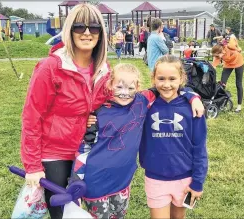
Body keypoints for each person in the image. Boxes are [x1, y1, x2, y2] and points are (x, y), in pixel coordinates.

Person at [70, 63, 204, 219]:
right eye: (119, 87)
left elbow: (171, 86)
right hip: (96, 184)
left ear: (138, 87)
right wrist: (75, 180)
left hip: (122, 183)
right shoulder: (98, 113)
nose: (124, 93)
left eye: (130, 88)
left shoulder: (142, 101)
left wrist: (193, 96)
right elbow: (84, 149)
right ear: (110, 84)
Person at [20, 4, 111, 219]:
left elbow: (117, 106)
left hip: (88, 151)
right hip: (55, 155)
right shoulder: (50, 67)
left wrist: (188, 96)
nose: (87, 32)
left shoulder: (105, 71)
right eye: (79, 26)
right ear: (69, 30)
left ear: (101, 33)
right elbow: (32, 117)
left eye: (94, 27)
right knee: (62, 214)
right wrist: (33, 165)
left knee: (85, 212)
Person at [139, 55, 208, 219]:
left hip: (185, 178)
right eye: (161, 78)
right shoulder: (144, 105)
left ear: (182, 78)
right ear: (153, 78)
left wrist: (197, 182)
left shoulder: (193, 109)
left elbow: (200, 148)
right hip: (155, 178)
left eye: (172, 78)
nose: (167, 84)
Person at [211, 35, 244, 113]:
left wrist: (238, 47)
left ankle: (239, 106)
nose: (217, 57)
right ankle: (221, 102)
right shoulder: (218, 56)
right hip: (228, 65)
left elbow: (233, 37)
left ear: (222, 50)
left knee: (238, 84)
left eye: (217, 55)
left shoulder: (230, 46)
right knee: (222, 84)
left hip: (239, 63)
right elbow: (214, 66)